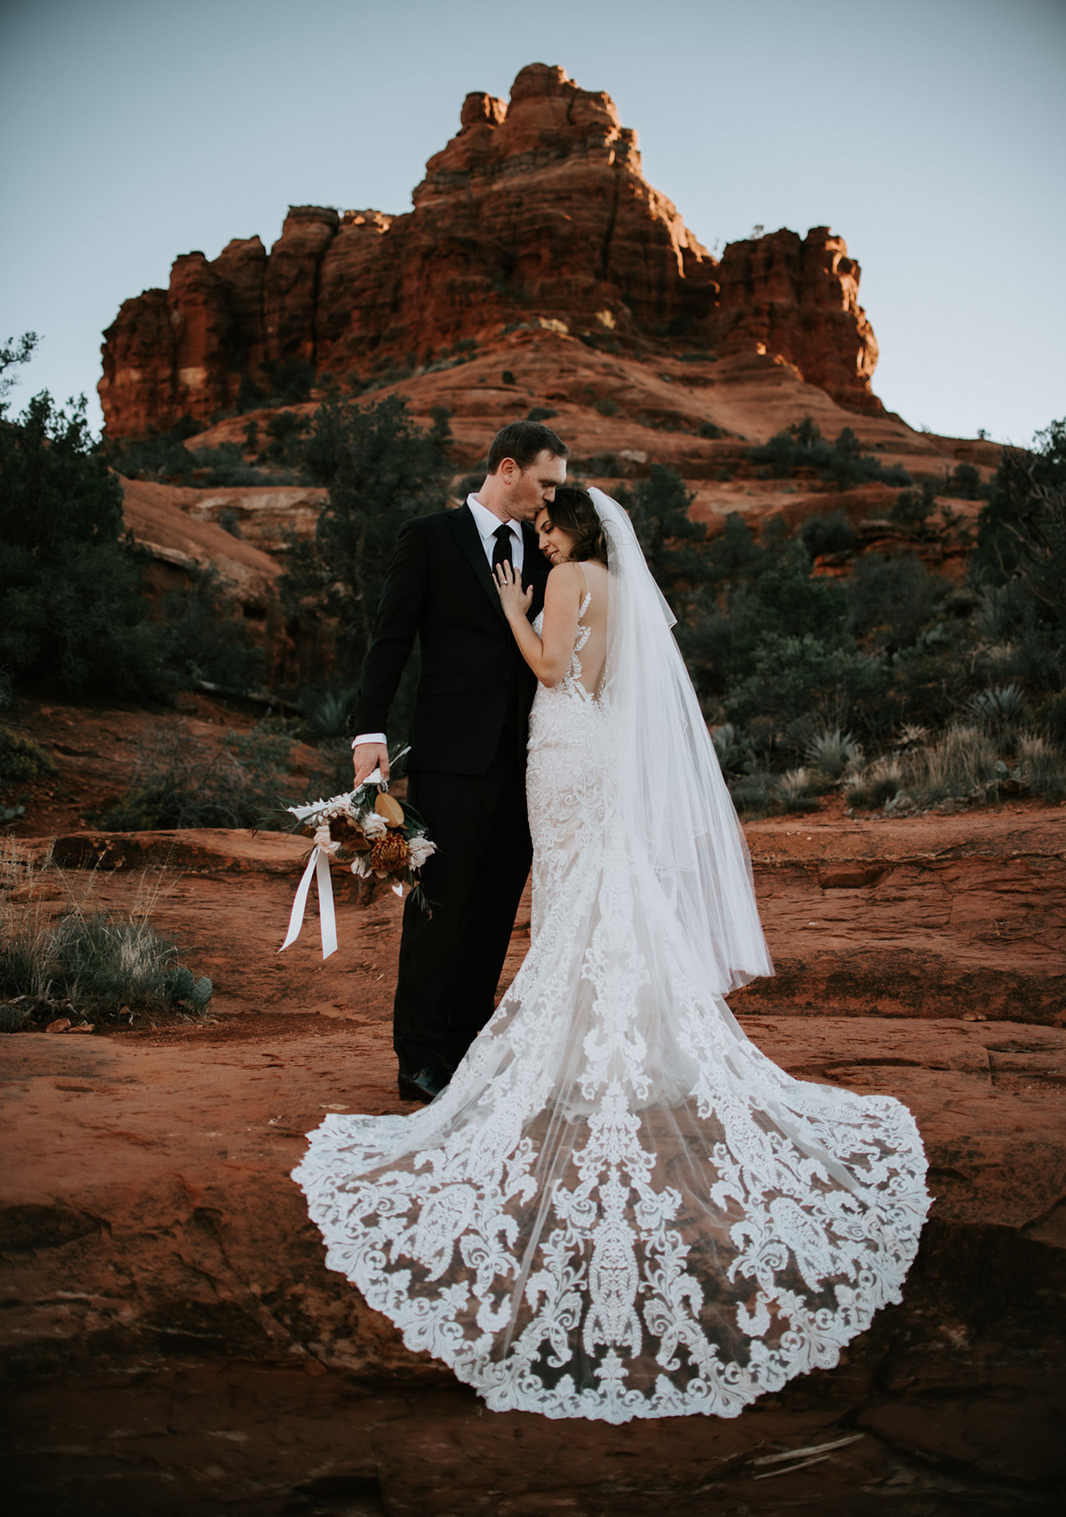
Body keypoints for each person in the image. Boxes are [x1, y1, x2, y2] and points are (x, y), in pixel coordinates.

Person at [295, 486, 930, 1423]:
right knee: (602, 891)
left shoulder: (564, 580)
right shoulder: (626, 587)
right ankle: (629, 1043)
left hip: (562, 751)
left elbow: (551, 667)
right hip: (598, 751)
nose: (540, 539)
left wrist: (513, 609)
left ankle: (571, 1053)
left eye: (548, 528)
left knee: (573, 899)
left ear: (574, 529)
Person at [347, 418, 567, 1103]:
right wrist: (368, 730)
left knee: (497, 907)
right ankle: (419, 1054)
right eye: (546, 482)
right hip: (449, 754)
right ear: (508, 469)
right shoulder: (429, 537)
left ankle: (470, 1049)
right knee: (439, 906)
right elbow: (390, 638)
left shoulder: (547, 548)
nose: (552, 497)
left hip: (530, 757)